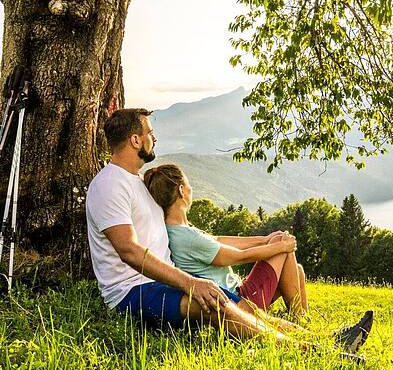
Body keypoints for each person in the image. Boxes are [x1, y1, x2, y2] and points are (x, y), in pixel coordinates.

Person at [85, 108, 372, 354]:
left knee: (247, 309)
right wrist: (189, 283)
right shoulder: (109, 185)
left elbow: (192, 234)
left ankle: (329, 340)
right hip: (132, 292)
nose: (154, 137)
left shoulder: (136, 183)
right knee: (216, 304)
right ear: (135, 140)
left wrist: (257, 241)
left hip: (160, 283)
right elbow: (129, 251)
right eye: (149, 131)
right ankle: (309, 352)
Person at [143, 163, 308, 319]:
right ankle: (300, 318)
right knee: (282, 244)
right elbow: (240, 257)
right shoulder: (186, 237)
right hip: (240, 303)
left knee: (297, 270)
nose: (191, 188)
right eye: (188, 184)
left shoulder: (180, 230)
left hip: (239, 293)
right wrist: (281, 245)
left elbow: (217, 241)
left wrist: (264, 240)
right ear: (181, 190)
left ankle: (302, 317)